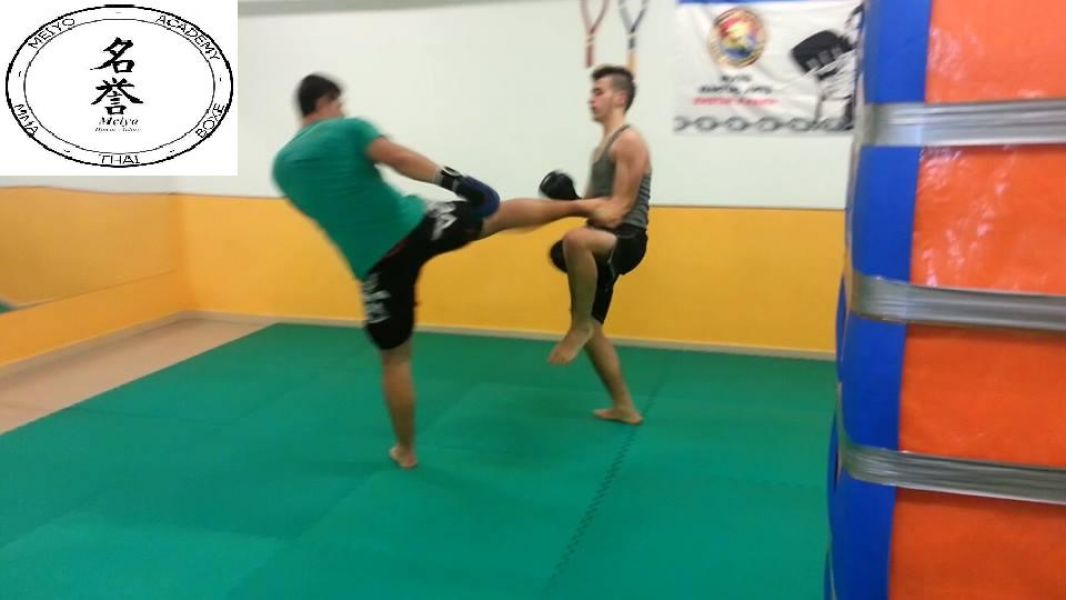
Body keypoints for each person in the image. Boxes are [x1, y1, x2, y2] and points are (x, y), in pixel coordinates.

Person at [272, 74, 607, 469]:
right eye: (339, 103)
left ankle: (405, 451)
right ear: (324, 101)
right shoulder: (346, 130)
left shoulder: (282, 169)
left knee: (395, 359)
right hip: (415, 224)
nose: (343, 110)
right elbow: (397, 158)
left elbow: (329, 207)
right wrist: (457, 182)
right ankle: (583, 206)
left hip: (375, 266)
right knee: (497, 217)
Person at [538, 65, 651, 426]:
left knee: (576, 240)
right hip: (602, 239)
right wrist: (566, 198)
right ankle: (624, 407)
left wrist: (573, 208)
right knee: (594, 328)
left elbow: (617, 211)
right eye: (592, 92)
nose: (591, 98)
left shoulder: (629, 141)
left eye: (598, 91)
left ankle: (577, 325)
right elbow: (589, 206)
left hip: (628, 240)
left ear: (620, 98)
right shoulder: (598, 150)